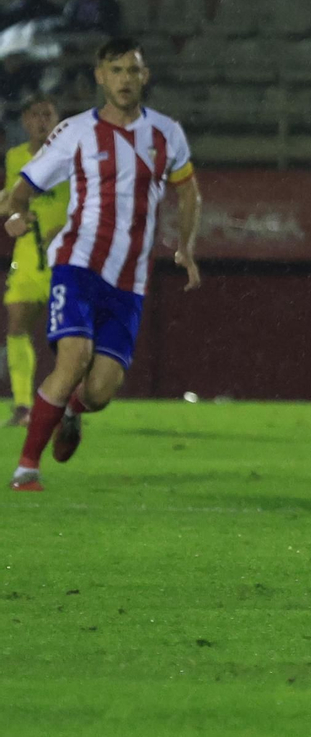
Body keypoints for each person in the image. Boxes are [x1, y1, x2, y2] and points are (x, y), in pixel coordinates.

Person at [7, 39, 203, 491]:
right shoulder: (75, 132)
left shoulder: (166, 134)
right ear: (100, 76)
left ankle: (72, 411)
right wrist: (17, 215)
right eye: (116, 70)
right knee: (72, 359)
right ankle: (26, 468)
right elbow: (24, 188)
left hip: (130, 281)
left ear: (144, 77)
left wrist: (186, 246)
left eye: (132, 71)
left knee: (99, 393)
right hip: (77, 263)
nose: (124, 79)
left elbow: (188, 190)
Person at [2, 95, 68, 429]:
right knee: (16, 324)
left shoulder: (72, 156)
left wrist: (66, 227)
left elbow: (90, 201)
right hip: (27, 256)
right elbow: (9, 202)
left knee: (67, 335)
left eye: (48, 114)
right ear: (25, 121)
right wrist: (13, 213)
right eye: (35, 115)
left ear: (57, 119)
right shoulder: (15, 157)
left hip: (67, 256)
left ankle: (67, 405)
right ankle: (23, 405)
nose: (42, 121)